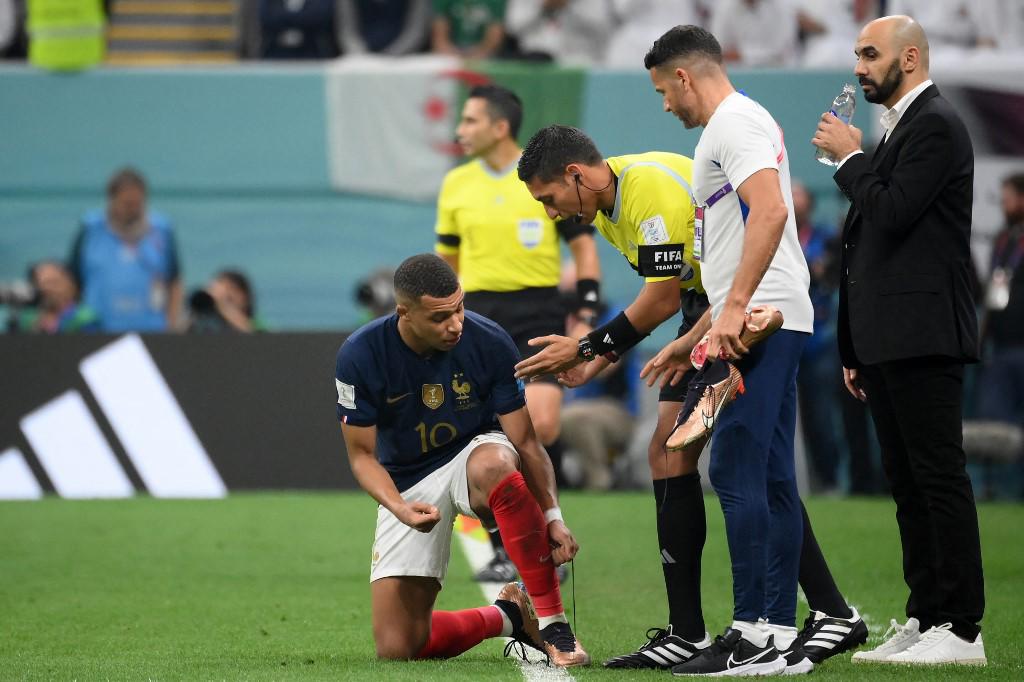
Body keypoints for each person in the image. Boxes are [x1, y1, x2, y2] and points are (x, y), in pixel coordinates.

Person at [514, 122, 865, 675]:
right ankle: (720, 626)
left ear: (574, 175)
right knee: (671, 452)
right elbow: (673, 290)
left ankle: (765, 621)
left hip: (735, 310)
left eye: (549, 197)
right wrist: (596, 361)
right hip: (708, 307)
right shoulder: (608, 206)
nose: (551, 212)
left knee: (712, 459)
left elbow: (659, 297)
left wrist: (583, 346)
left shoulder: (644, 189)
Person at [641, 24, 863, 675]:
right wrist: (696, 333)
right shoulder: (735, 125)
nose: (663, 105)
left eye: (662, 90)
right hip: (757, 315)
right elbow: (741, 242)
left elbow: (769, 214)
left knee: (736, 470)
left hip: (759, 321)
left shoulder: (734, 124)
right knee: (766, 475)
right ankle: (770, 631)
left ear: (685, 76)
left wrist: (732, 311)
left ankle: (758, 634)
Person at [812, 14, 986, 666]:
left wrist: (850, 158)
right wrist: (856, 344)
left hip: (925, 335)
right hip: (890, 339)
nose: (858, 66)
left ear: (909, 57)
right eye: (857, 53)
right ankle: (926, 616)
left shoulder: (936, 125)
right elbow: (875, 246)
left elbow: (892, 212)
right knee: (908, 484)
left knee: (938, 479)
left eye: (869, 54)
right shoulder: (904, 130)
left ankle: (963, 629)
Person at [334, 253, 588, 666]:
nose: (455, 325)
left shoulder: (488, 341)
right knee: (399, 647)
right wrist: (398, 506)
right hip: (409, 479)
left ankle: (552, 622)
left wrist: (553, 516)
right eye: (439, 317)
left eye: (459, 309)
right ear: (404, 313)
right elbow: (362, 456)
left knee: (495, 465)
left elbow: (525, 442)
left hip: (474, 451)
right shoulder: (360, 355)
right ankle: (509, 616)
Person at [435, 84, 601, 581]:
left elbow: (585, 252)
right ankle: (509, 545)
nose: (460, 131)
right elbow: (448, 266)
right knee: (482, 434)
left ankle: (546, 529)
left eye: (469, 121)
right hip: (478, 317)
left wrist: (586, 315)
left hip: (538, 314)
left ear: (499, 127)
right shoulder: (456, 185)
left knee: (541, 426)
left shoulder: (540, 179)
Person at [69, 168, 182, 333]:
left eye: (138, 203)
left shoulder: (162, 230)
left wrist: (171, 326)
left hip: (152, 331)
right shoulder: (91, 229)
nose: (133, 210)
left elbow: (174, 281)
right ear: (111, 200)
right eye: (127, 204)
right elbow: (72, 281)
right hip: (98, 330)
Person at [14, 260, 99, 333]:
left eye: (53, 282)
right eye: (40, 284)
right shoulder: (27, 318)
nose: (46, 288)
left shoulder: (84, 318)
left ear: (70, 284)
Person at [186, 269, 266, 334]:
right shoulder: (206, 324)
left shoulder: (257, 322)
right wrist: (198, 308)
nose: (225, 296)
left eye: (229, 297)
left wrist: (222, 305)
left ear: (245, 297)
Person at [430, 0, 505, 59]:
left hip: (484, 54)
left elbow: (494, 39)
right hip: (451, 52)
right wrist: (451, 54)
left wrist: (477, 55)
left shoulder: (496, 1)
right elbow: (439, 38)